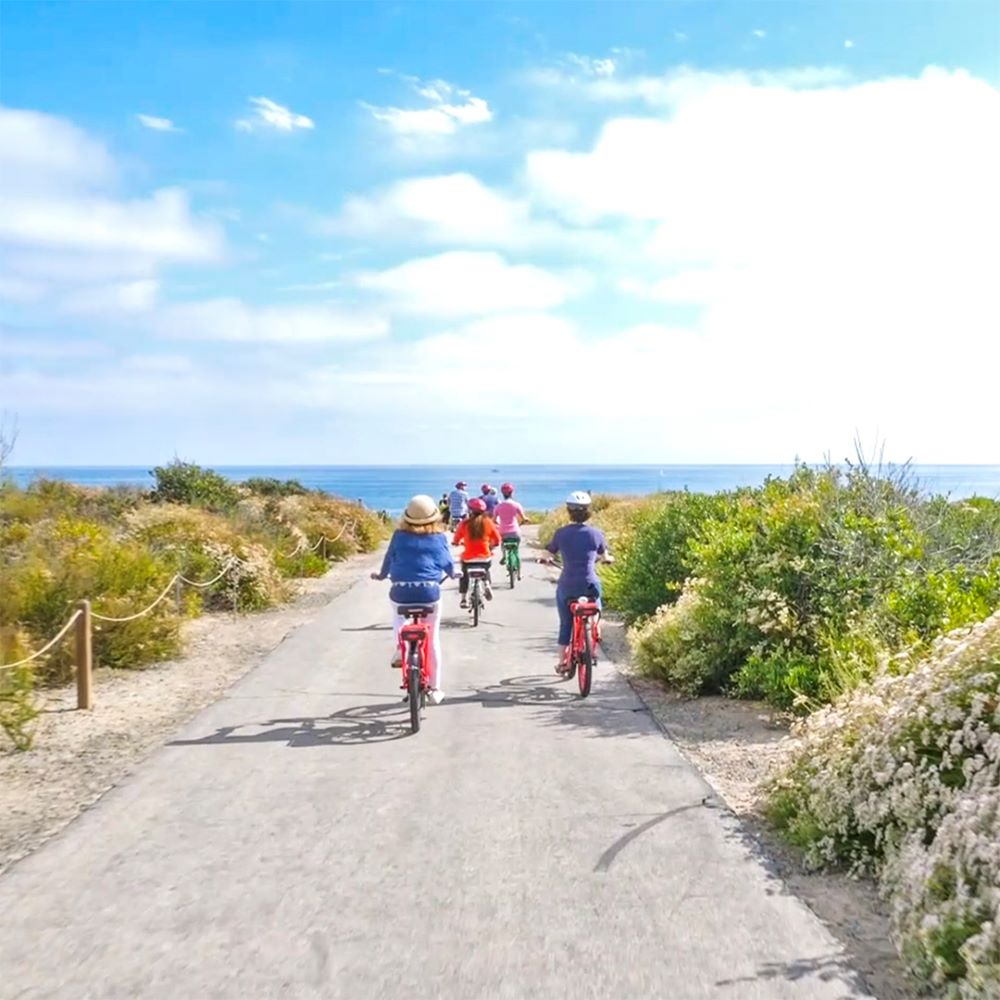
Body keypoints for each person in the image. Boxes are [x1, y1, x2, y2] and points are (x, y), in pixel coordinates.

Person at [370, 495, 454, 704]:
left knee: (398, 616)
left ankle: (401, 647)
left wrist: (381, 576)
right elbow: (447, 563)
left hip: (400, 591)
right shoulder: (439, 536)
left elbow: (389, 559)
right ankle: (435, 689)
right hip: (429, 593)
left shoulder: (399, 536)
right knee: (432, 638)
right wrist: (454, 574)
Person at [539, 491, 613, 674]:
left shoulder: (561, 533)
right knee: (596, 603)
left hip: (568, 585)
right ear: (588, 511)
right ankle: (595, 627)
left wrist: (545, 559)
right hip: (589, 583)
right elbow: (605, 555)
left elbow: (548, 553)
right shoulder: (596, 534)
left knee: (566, 624)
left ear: (568, 511)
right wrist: (607, 559)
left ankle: (563, 662)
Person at [452, 496, 501, 608]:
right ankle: (487, 584)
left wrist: (456, 543)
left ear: (470, 510)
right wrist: (492, 546)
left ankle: (463, 599)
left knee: (464, 575)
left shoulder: (464, 524)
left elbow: (456, 539)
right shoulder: (488, 522)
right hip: (484, 557)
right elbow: (498, 540)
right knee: (486, 568)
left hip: (468, 559)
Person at [493, 483, 526, 565]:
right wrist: (526, 520)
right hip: (515, 531)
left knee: (503, 544)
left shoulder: (498, 506)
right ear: (512, 493)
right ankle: (518, 570)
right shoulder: (516, 505)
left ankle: (504, 556)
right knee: (516, 547)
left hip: (503, 531)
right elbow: (523, 518)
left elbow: (493, 520)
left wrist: (497, 524)